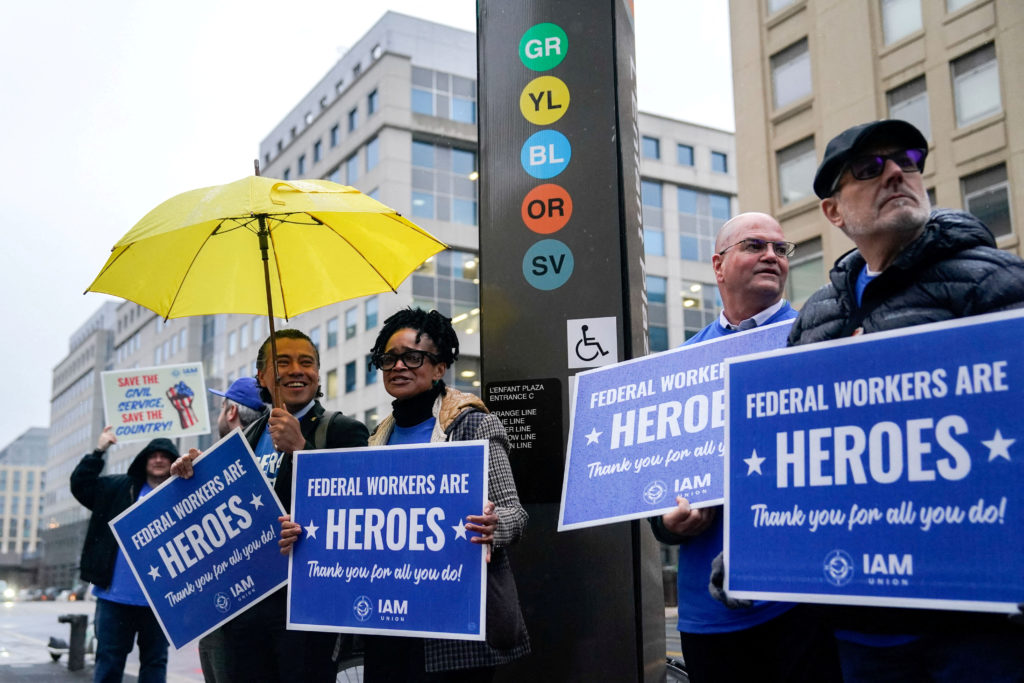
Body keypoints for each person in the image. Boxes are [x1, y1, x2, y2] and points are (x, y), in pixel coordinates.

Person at [789, 118, 1024, 681]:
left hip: (977, 627)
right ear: (834, 212)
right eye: (869, 169)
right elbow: (786, 458)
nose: (896, 171)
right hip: (857, 627)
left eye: (908, 160)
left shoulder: (995, 282)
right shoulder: (815, 319)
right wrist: (752, 550)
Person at [280, 308, 530, 682]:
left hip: (453, 631)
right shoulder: (376, 437)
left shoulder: (473, 424)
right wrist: (308, 537)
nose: (399, 366)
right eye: (389, 358)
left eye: (414, 357)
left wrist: (495, 525)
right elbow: (357, 526)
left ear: (440, 366)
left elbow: (516, 513)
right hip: (388, 628)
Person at [649, 212, 841, 682]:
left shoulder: (820, 341)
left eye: (781, 249)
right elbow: (654, 481)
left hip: (803, 599)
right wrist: (668, 523)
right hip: (708, 616)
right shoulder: (680, 363)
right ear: (718, 265)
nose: (772, 256)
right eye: (756, 246)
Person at [174, 328, 369, 682]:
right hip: (245, 609)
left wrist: (301, 451)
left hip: (305, 612)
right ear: (262, 376)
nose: (297, 369)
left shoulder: (343, 431)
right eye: (283, 362)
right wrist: (191, 476)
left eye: (306, 362)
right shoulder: (246, 438)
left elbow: (357, 513)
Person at [70, 430, 176, 683]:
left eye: (165, 456)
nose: (159, 460)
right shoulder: (117, 488)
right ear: (143, 460)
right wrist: (99, 451)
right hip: (113, 598)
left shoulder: (185, 493)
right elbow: (81, 484)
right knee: (108, 661)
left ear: (174, 461)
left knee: (155, 663)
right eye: (153, 455)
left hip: (161, 600)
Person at [197, 376, 267, 683]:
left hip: (231, 614)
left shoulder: (224, 466)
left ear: (230, 413)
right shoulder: (269, 455)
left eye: (221, 406)